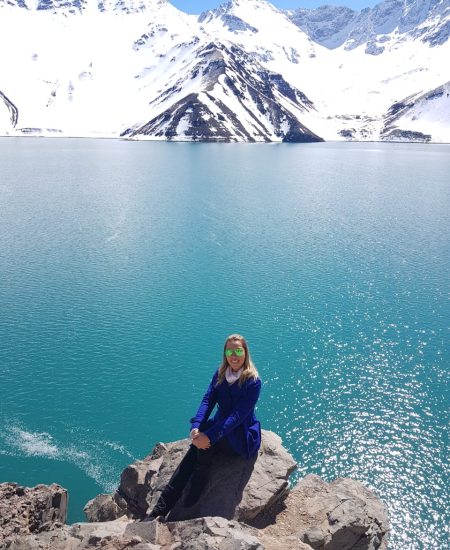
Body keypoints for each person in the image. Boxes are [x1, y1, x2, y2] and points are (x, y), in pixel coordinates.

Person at [148, 333, 261, 520]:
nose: (234, 355)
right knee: (195, 447)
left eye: (238, 351)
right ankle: (159, 511)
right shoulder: (220, 374)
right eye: (230, 351)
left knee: (201, 446)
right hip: (218, 427)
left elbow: (237, 416)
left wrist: (209, 436)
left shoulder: (253, 381)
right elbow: (208, 400)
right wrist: (196, 426)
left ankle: (201, 473)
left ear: (245, 353)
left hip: (240, 436)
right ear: (225, 354)